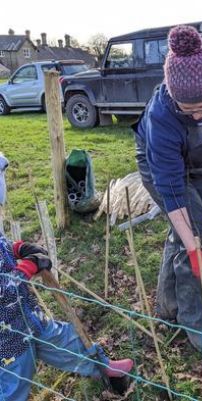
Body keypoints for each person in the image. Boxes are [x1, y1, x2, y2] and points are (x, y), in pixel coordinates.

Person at [133, 25, 202, 350]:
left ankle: (167, 307)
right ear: (174, 97)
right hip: (161, 168)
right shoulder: (162, 118)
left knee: (183, 233)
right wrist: (194, 248)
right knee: (194, 236)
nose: (198, 115)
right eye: (189, 110)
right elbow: (173, 192)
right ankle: (195, 323)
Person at [0, 153, 133, 400]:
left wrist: (18, 249)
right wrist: (28, 267)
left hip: (27, 314)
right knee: (15, 381)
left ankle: (102, 366)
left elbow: (1, 247)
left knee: (65, 339)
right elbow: (3, 290)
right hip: (7, 339)